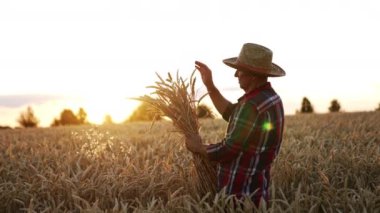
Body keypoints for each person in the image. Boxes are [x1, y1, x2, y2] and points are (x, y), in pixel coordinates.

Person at [185, 43, 286, 207]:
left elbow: (228, 150)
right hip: (258, 193)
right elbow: (232, 113)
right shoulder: (271, 99)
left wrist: (199, 147)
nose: (235, 74)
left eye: (239, 70)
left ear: (252, 75)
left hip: (239, 196)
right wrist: (210, 86)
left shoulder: (252, 105)